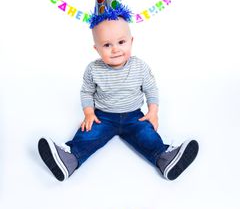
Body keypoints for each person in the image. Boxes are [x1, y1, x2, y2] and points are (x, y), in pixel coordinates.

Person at [38, 17, 199, 181]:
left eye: (121, 42)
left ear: (131, 41)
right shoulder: (93, 69)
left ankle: (165, 160)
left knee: (146, 135)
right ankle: (69, 160)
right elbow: (86, 92)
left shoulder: (140, 67)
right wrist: (89, 114)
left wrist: (153, 112)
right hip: (103, 116)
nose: (115, 49)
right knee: (88, 135)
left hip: (134, 116)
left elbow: (151, 89)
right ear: (97, 49)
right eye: (107, 45)